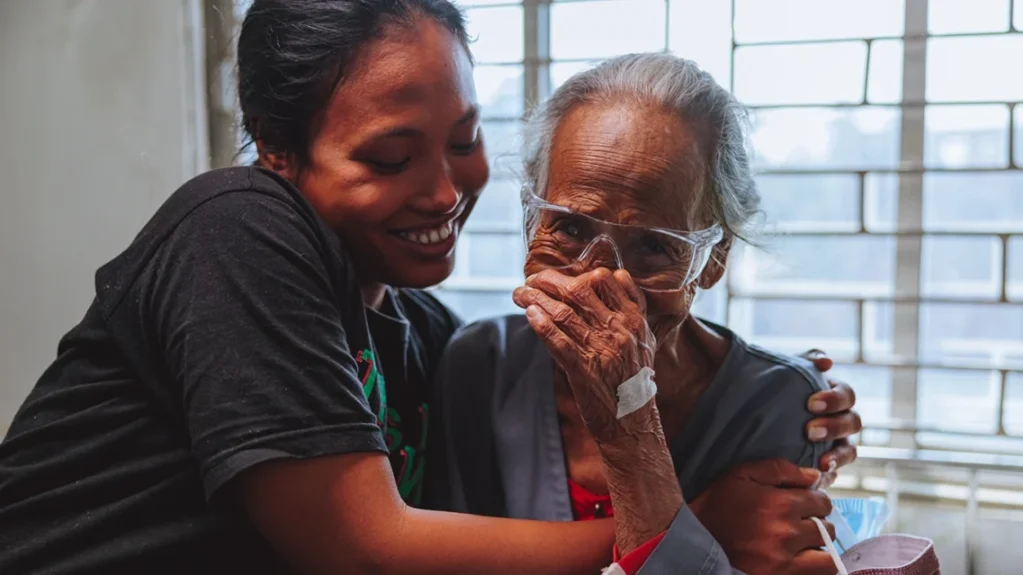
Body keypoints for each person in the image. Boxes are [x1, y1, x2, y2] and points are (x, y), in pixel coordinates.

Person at [0, 2, 859, 574]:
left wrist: (790, 390)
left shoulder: (431, 340)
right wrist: (685, 530)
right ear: (274, 144)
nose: (445, 192)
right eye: (389, 157)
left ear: (713, 257)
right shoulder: (235, 227)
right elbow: (364, 547)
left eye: (463, 141)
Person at [427, 53, 861, 575]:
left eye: (654, 246)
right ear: (534, 217)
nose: (598, 280)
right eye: (569, 228)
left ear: (713, 260)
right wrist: (703, 530)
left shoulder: (779, 405)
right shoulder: (481, 365)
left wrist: (628, 413)